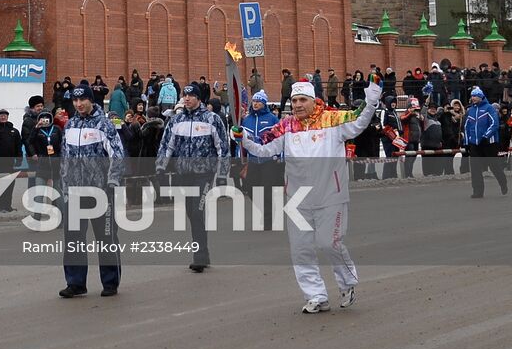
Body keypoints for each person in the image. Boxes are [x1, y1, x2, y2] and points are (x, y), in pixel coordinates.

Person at [234, 77, 382, 314]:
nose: (297, 105)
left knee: (329, 243)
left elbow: (359, 119)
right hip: (297, 198)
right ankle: (316, 296)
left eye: (302, 100)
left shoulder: (332, 120)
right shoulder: (286, 126)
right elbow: (264, 146)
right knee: (301, 249)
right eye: (294, 100)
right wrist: (243, 139)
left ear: (313, 101)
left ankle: (347, 283)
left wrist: (372, 99)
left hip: (330, 195)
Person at [58, 82, 125, 298]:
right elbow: (65, 159)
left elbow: (117, 154)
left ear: (91, 100)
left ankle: (110, 282)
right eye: (75, 101)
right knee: (73, 238)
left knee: (105, 237)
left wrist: (112, 181)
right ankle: (76, 283)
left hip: (100, 191)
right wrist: (65, 186)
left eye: (82, 100)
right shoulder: (70, 126)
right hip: (75, 191)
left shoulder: (104, 125)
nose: (78, 104)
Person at [154, 84, 229, 273]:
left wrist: (222, 174)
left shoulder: (212, 119)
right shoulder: (176, 120)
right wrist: (160, 167)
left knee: (197, 210)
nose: (186, 99)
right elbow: (167, 146)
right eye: (184, 96)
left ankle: (200, 256)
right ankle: (202, 251)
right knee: (191, 212)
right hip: (183, 173)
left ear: (198, 98)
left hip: (204, 173)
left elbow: (223, 147)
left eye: (190, 96)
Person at [240, 90, 281, 226]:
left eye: (259, 101)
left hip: (268, 159)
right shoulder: (247, 120)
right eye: (254, 101)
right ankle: (264, 209)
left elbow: (279, 139)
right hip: (253, 160)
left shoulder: (272, 119)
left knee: (267, 189)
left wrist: (279, 156)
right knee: (250, 188)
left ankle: (268, 220)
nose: (256, 103)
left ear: (264, 103)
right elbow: (242, 142)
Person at [463, 86, 506, 198]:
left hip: (489, 143)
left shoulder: (489, 108)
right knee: (475, 169)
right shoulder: (470, 110)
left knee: (494, 166)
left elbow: (494, 124)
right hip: (475, 144)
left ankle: (503, 182)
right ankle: (478, 191)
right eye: (472, 96)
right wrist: (467, 142)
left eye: (476, 96)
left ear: (481, 97)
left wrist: (486, 136)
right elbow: (467, 127)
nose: (473, 98)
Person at [0, 108, 24, 212]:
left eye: (5, 115)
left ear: (7, 116)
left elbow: (18, 146)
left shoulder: (14, 131)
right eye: (1, 115)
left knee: (10, 184)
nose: (3, 116)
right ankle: (0, 206)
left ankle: (8, 205)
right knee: (0, 184)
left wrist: (19, 158)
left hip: (10, 162)